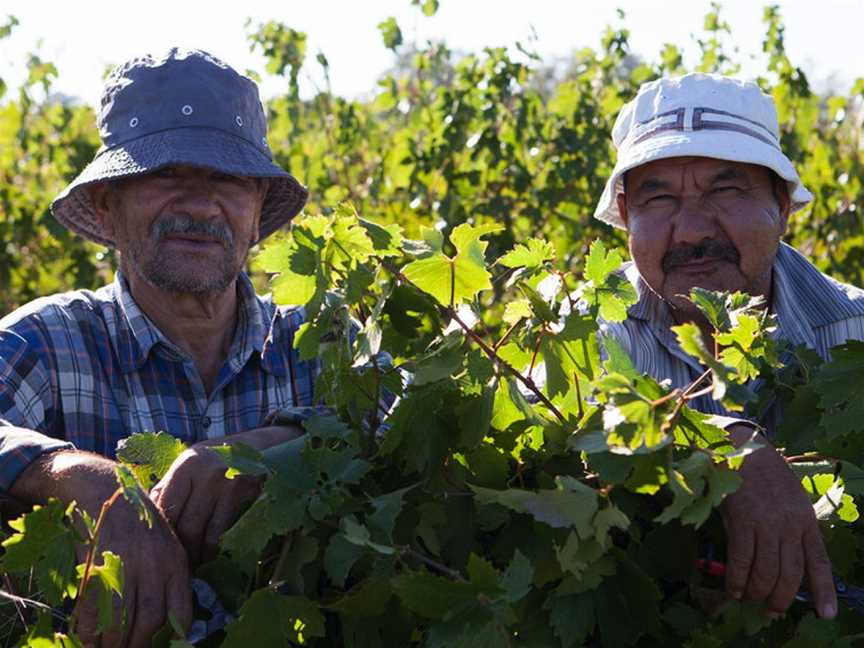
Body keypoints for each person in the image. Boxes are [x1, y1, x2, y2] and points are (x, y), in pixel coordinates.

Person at [0, 49, 322, 646]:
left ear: (257, 217)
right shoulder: (46, 342)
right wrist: (77, 477)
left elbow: (394, 420)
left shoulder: (316, 345)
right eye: (166, 174)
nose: (200, 206)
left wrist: (280, 446)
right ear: (107, 205)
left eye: (226, 179)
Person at [594, 73, 864, 620]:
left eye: (725, 189)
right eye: (659, 196)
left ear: (783, 205)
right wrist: (720, 443)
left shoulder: (857, 332)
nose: (692, 230)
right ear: (625, 217)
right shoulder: (576, 340)